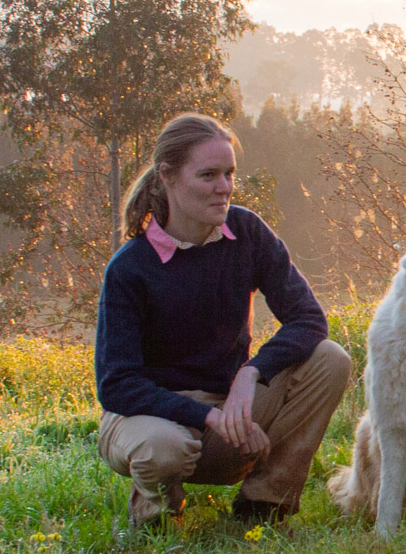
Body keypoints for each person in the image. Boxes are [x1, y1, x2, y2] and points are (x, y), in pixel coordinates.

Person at [94, 112, 351, 528]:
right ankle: (157, 517)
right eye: (209, 175)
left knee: (330, 358)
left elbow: (308, 319)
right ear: (168, 176)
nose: (224, 187)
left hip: (229, 417)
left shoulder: (246, 232)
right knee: (164, 447)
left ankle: (263, 505)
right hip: (150, 420)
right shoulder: (130, 268)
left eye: (230, 173)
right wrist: (207, 416)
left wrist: (250, 375)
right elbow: (117, 386)